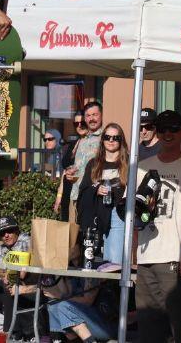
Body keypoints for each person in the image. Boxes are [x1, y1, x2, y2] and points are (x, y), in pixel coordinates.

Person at [136, 110, 181, 343]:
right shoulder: (141, 166)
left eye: (173, 129)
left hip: (175, 256)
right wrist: (132, 252)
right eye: (162, 129)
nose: (168, 133)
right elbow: (132, 212)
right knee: (149, 329)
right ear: (157, 133)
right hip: (145, 255)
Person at [77, 123, 129, 266]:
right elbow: (83, 190)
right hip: (95, 219)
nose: (111, 140)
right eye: (107, 137)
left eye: (115, 138)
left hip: (117, 216)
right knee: (93, 264)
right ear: (103, 140)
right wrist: (96, 189)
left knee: (113, 263)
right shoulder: (93, 164)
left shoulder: (128, 163)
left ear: (121, 140)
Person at [45, 276, 117, 343]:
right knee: (54, 306)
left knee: (64, 306)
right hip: (87, 324)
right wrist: (59, 274)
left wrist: (59, 295)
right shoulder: (72, 272)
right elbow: (66, 294)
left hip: (106, 326)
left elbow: (87, 301)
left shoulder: (90, 270)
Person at [67, 101, 103, 224]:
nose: (91, 119)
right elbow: (78, 166)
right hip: (76, 194)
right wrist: (70, 172)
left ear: (101, 115)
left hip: (93, 196)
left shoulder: (106, 138)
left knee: (91, 233)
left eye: (95, 115)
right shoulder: (81, 140)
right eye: (88, 116)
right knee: (73, 234)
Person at [54, 111, 88, 221]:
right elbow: (66, 171)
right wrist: (59, 196)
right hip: (67, 193)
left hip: (80, 193)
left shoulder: (93, 145)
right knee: (66, 225)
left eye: (82, 123)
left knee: (77, 226)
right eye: (76, 123)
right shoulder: (73, 144)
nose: (79, 126)